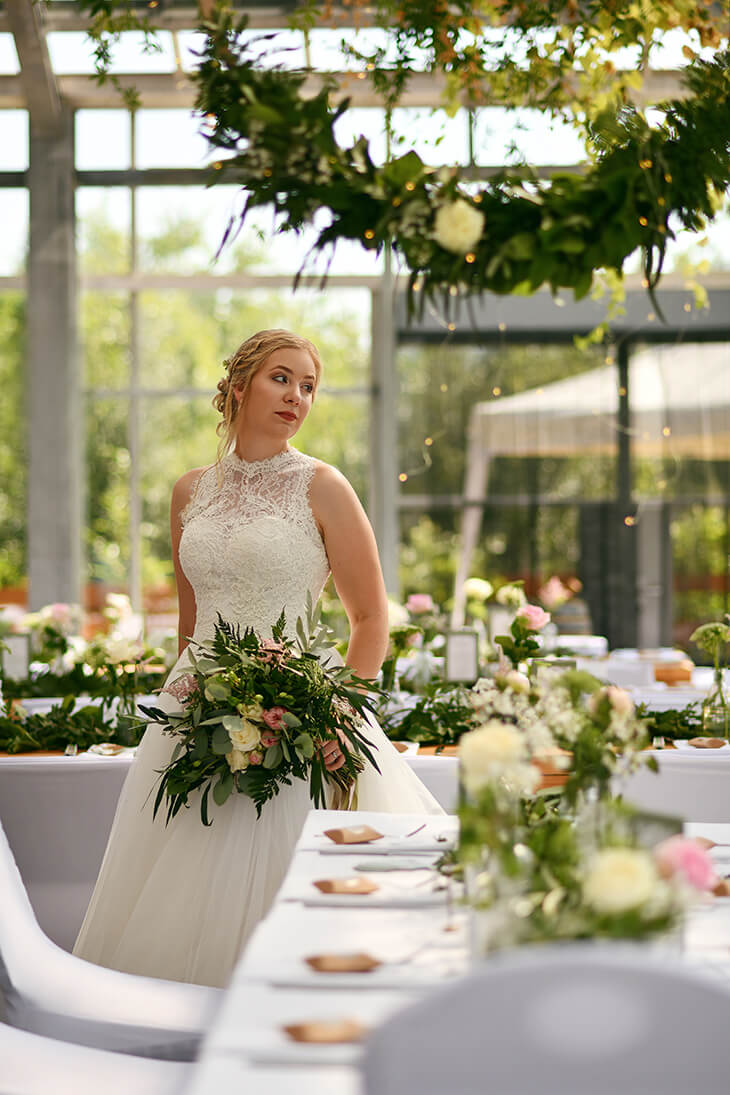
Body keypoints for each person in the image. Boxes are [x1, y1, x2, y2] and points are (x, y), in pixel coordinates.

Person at [74, 329, 443, 988]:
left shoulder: (324, 487)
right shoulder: (188, 492)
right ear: (239, 385)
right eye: (282, 378)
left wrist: (338, 712)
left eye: (308, 386)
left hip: (301, 713)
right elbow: (192, 626)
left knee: (295, 884)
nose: (297, 396)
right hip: (195, 711)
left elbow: (370, 618)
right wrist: (184, 700)